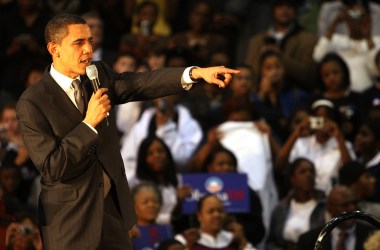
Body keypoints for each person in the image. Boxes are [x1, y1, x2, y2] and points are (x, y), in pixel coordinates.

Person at [15, 14, 239, 250]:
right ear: (54, 48)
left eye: (90, 41)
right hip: (69, 220)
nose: (89, 49)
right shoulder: (32, 102)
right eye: (79, 43)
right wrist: (88, 124)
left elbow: (140, 83)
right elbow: (52, 167)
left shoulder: (97, 74)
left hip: (112, 212)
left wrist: (195, 74)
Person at [266, 158, 326, 250]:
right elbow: (271, 242)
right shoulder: (281, 207)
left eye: (311, 171)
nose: (308, 174)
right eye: (303, 172)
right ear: (292, 178)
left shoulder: (324, 206)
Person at [297, 185, 376, 250]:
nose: (352, 208)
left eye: (354, 203)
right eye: (345, 205)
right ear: (330, 208)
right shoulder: (309, 240)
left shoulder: (374, 237)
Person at [174, 194, 256, 250]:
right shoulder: (184, 239)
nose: (217, 215)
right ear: (199, 216)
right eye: (211, 211)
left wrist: (243, 241)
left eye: (220, 211)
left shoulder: (234, 240)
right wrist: (188, 247)